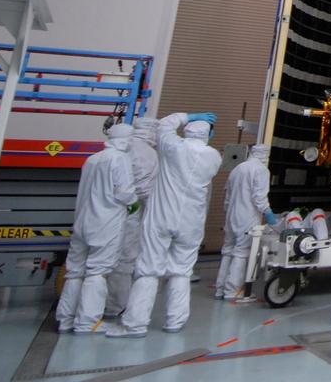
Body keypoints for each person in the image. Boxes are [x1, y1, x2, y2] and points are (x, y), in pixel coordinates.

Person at [107, 112, 222, 337]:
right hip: (191, 221)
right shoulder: (213, 156)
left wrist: (187, 116)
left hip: (162, 216)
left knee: (149, 270)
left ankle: (135, 324)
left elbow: (165, 125)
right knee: (181, 272)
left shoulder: (172, 148)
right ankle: (175, 321)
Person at [56, 124, 136, 333]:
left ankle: (66, 318)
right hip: (105, 222)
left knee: (75, 272)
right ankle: (87, 322)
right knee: (96, 273)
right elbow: (124, 192)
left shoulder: (91, 159)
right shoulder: (120, 159)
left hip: (83, 221)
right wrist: (135, 202)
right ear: (127, 139)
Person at [106, 117, 159, 315]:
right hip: (129, 212)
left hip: (105, 212)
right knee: (126, 258)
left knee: (101, 261)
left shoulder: (106, 155)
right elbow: (142, 190)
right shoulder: (147, 152)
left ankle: (90, 310)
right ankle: (117, 306)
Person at [216, 144, 274, 301]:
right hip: (246, 216)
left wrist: (228, 211)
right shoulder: (261, 170)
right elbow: (259, 197)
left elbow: (227, 194)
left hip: (231, 215)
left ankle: (220, 288)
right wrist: (268, 213)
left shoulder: (238, 168)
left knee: (227, 250)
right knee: (241, 253)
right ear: (264, 155)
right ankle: (233, 291)